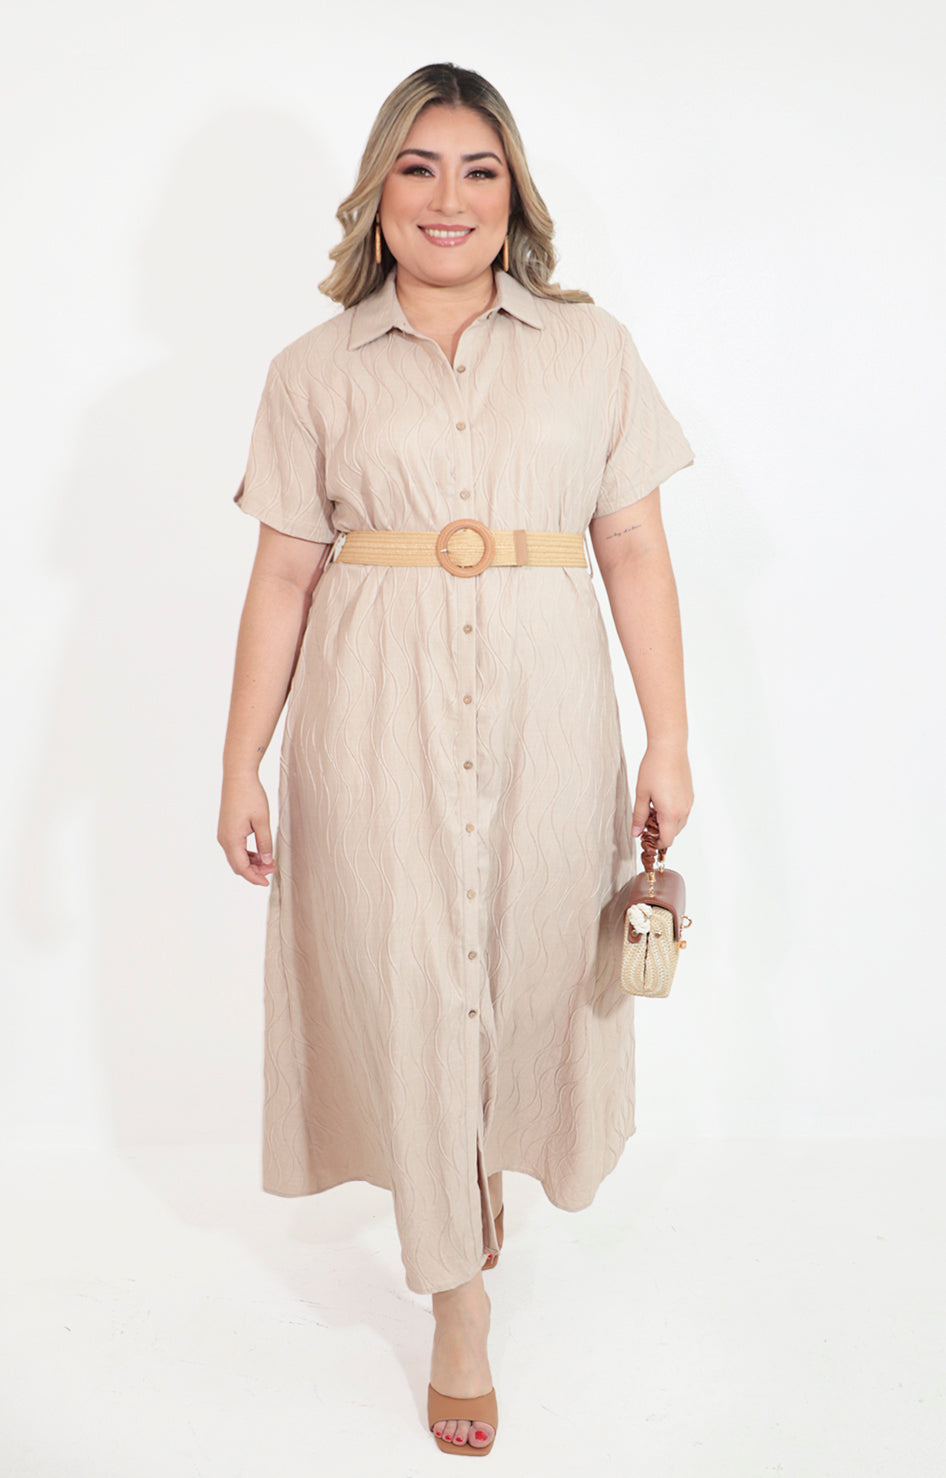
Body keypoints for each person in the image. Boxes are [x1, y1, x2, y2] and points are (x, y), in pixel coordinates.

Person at [218, 61, 694, 1457]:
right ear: (379, 190)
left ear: (513, 194)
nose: (449, 197)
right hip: (371, 713)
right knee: (413, 978)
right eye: (419, 167)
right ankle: (457, 1304)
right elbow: (283, 574)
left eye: (479, 169)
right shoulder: (311, 372)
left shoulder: (592, 349)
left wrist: (670, 736)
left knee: (530, 960)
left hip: (550, 712)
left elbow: (632, 546)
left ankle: (479, 1178)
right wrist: (241, 761)